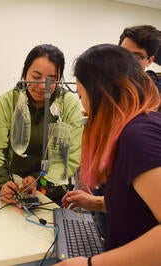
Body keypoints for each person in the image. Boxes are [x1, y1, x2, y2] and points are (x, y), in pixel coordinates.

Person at [55, 44, 161, 266]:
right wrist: (97, 203)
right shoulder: (130, 131)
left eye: (82, 95)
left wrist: (90, 264)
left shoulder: (139, 136)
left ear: (99, 92)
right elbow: (139, 205)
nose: (83, 105)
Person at [0, 44, 84, 205]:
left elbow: (71, 156)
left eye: (51, 79)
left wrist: (40, 180)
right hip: (13, 184)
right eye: (36, 77)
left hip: (51, 188)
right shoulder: (8, 102)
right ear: (25, 73)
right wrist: (2, 183)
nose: (43, 85)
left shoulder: (68, 104)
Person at [119, 25, 161, 94]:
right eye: (124, 53)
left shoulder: (156, 95)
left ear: (149, 61)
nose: (127, 60)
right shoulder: (104, 84)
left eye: (136, 57)